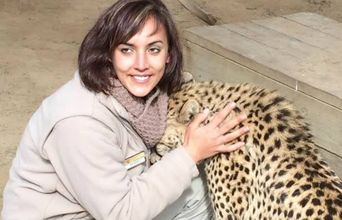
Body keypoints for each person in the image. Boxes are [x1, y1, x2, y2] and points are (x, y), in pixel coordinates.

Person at [1, 0, 249, 219]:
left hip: (105, 205)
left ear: (168, 56)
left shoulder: (149, 99)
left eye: (153, 49)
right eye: (127, 50)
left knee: (199, 191)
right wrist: (190, 153)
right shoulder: (78, 121)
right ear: (108, 55)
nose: (141, 65)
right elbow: (121, 213)